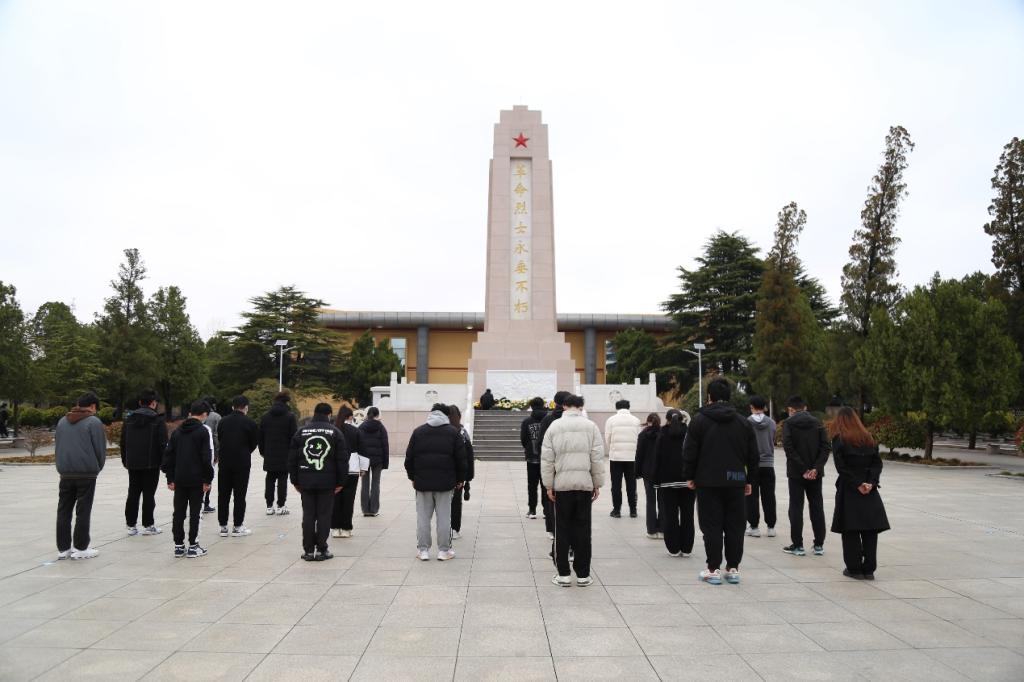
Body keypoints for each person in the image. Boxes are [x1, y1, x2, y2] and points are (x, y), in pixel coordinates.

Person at [682, 379, 759, 585]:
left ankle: (713, 569)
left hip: (707, 481)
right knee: (735, 526)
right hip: (736, 480)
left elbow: (689, 451)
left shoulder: (699, 421)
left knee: (711, 525)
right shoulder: (743, 422)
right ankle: (733, 568)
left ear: (709, 396)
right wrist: (750, 479)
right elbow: (753, 455)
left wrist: (689, 475)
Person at [542, 394, 604, 587]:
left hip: (562, 485)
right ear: (581, 407)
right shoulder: (591, 427)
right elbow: (597, 458)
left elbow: (547, 460)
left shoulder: (554, 427)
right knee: (583, 530)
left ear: (564, 406)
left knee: (562, 529)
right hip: (584, 485)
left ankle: (564, 575)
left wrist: (548, 485)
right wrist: (597, 483)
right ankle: (583, 575)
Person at [829, 407, 889, 580]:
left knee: (850, 528)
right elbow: (877, 464)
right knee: (870, 529)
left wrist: (857, 484)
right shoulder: (869, 438)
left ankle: (854, 568)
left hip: (849, 489)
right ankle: (869, 569)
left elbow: (841, 467)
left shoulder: (839, 439)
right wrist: (871, 483)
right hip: (869, 490)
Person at [405, 403, 468, 561]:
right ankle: (443, 551)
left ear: (431, 413)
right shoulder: (453, 433)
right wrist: (460, 479)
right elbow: (461, 460)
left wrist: (413, 477)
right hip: (445, 484)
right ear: (447, 415)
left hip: (422, 484)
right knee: (444, 518)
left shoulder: (418, 432)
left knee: (423, 518)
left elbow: (409, 459)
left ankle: (423, 550)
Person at [289, 402, 347, 561]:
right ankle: (322, 549)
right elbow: (342, 460)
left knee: (308, 515)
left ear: (314, 414)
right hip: (328, 482)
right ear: (329, 415)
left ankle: (308, 550)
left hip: (306, 481)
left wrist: (295, 480)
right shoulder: (335, 432)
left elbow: (292, 459)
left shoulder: (301, 431)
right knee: (324, 515)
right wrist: (341, 482)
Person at [54, 392, 107, 560]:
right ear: (93, 406)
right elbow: (100, 449)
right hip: (86, 473)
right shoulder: (94, 422)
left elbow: (58, 446)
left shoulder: (62, 421)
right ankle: (81, 547)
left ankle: (63, 548)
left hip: (65, 472)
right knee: (83, 511)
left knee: (64, 510)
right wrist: (97, 467)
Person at [162, 400, 215, 558]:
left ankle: (178, 546)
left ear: (190, 413)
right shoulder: (203, 432)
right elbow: (206, 457)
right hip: (197, 479)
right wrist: (208, 479)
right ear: (204, 414)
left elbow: (168, 456)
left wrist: (170, 478)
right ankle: (193, 545)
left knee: (179, 512)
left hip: (179, 478)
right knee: (195, 513)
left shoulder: (177, 432)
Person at [781, 395, 831, 557]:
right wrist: (815, 468)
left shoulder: (788, 424)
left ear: (791, 409)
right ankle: (819, 544)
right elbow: (825, 447)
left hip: (796, 473)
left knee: (796, 507)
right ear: (805, 407)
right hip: (816, 474)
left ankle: (798, 545)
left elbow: (789, 448)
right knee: (817, 506)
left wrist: (803, 469)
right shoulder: (818, 422)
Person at [120, 388, 168, 536]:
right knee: (149, 494)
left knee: (133, 493)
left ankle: (131, 525)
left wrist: (125, 461)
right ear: (153, 403)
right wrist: (165, 464)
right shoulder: (158, 421)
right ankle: (148, 525)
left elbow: (123, 443)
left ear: (140, 402)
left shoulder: (128, 420)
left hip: (133, 463)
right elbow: (163, 444)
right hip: (151, 464)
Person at [653, 409, 695, 557]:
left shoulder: (662, 434)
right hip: (688, 482)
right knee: (687, 515)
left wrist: (656, 481)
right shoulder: (690, 433)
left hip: (667, 482)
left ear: (667, 419)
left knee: (670, 515)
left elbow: (657, 459)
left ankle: (674, 548)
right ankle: (687, 548)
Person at [216, 395, 258, 537]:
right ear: (246, 407)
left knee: (223, 494)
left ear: (232, 406)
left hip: (225, 461)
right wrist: (244, 451)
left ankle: (223, 527)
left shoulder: (223, 421)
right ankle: (237, 526)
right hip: (242, 462)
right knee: (240, 495)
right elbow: (253, 443)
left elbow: (220, 438)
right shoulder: (250, 423)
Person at [535, 390, 571, 539]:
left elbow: (540, 443)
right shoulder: (574, 420)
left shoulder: (548, 419)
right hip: (569, 465)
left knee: (550, 497)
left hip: (551, 465)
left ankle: (551, 528)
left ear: (555, 402)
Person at [259, 392, 297, 516]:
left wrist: (263, 451)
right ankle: (281, 505)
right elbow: (294, 437)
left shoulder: (265, 416)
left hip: (269, 452)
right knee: (282, 479)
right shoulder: (290, 416)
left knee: (270, 478)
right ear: (286, 402)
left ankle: (269, 506)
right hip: (285, 454)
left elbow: (261, 436)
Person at [745, 395, 777, 539]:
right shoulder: (772, 423)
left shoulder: (747, 423)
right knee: (769, 496)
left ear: (751, 406)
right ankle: (771, 527)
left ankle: (754, 527)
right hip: (768, 464)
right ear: (764, 407)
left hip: (752, 464)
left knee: (752, 496)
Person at [605, 399, 641, 518]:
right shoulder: (636, 420)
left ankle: (616, 510)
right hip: (632, 457)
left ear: (617, 408)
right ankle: (633, 510)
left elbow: (607, 438)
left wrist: (612, 448)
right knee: (631, 485)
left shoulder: (611, 420)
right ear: (628, 407)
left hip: (616, 457)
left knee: (616, 485)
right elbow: (639, 439)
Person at [332, 406, 362, 538]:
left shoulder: (333, 430)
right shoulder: (355, 430)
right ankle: (346, 528)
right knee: (348, 500)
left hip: (335, 470)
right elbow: (363, 450)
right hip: (352, 469)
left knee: (335, 499)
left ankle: (335, 528)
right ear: (350, 417)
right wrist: (363, 469)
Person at [448, 404, 475, 539]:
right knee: (456, 502)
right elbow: (469, 456)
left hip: (444, 472)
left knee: (443, 502)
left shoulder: (443, 431)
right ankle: (454, 528)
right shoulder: (463, 433)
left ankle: (444, 527)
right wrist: (467, 476)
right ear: (459, 416)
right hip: (459, 474)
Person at [519, 397, 548, 520]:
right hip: (547, 459)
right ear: (543, 405)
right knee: (546, 485)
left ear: (531, 407)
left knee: (532, 485)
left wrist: (529, 448)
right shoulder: (548, 420)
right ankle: (547, 511)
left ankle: (532, 510)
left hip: (532, 458)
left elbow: (523, 439)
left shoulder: (527, 422)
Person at [633, 413, 662, 539]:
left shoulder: (643, 435)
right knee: (662, 501)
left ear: (648, 421)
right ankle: (662, 529)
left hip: (647, 471)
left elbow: (639, 455)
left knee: (650, 501)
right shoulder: (663, 433)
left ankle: (651, 530)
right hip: (661, 471)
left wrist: (637, 472)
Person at [359, 406, 389, 517]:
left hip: (364, 460)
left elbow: (358, 444)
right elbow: (385, 446)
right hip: (378, 460)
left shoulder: (361, 427)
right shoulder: (381, 427)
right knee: (376, 484)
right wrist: (385, 463)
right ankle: (374, 509)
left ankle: (365, 510)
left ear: (367, 414)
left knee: (364, 484)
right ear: (377, 415)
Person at [201, 397, 221, 514]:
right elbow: (217, 436)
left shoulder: (195, 416)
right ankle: (206, 503)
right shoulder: (216, 417)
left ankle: (199, 502)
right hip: (211, 450)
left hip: (196, 452)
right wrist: (217, 453)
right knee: (208, 476)